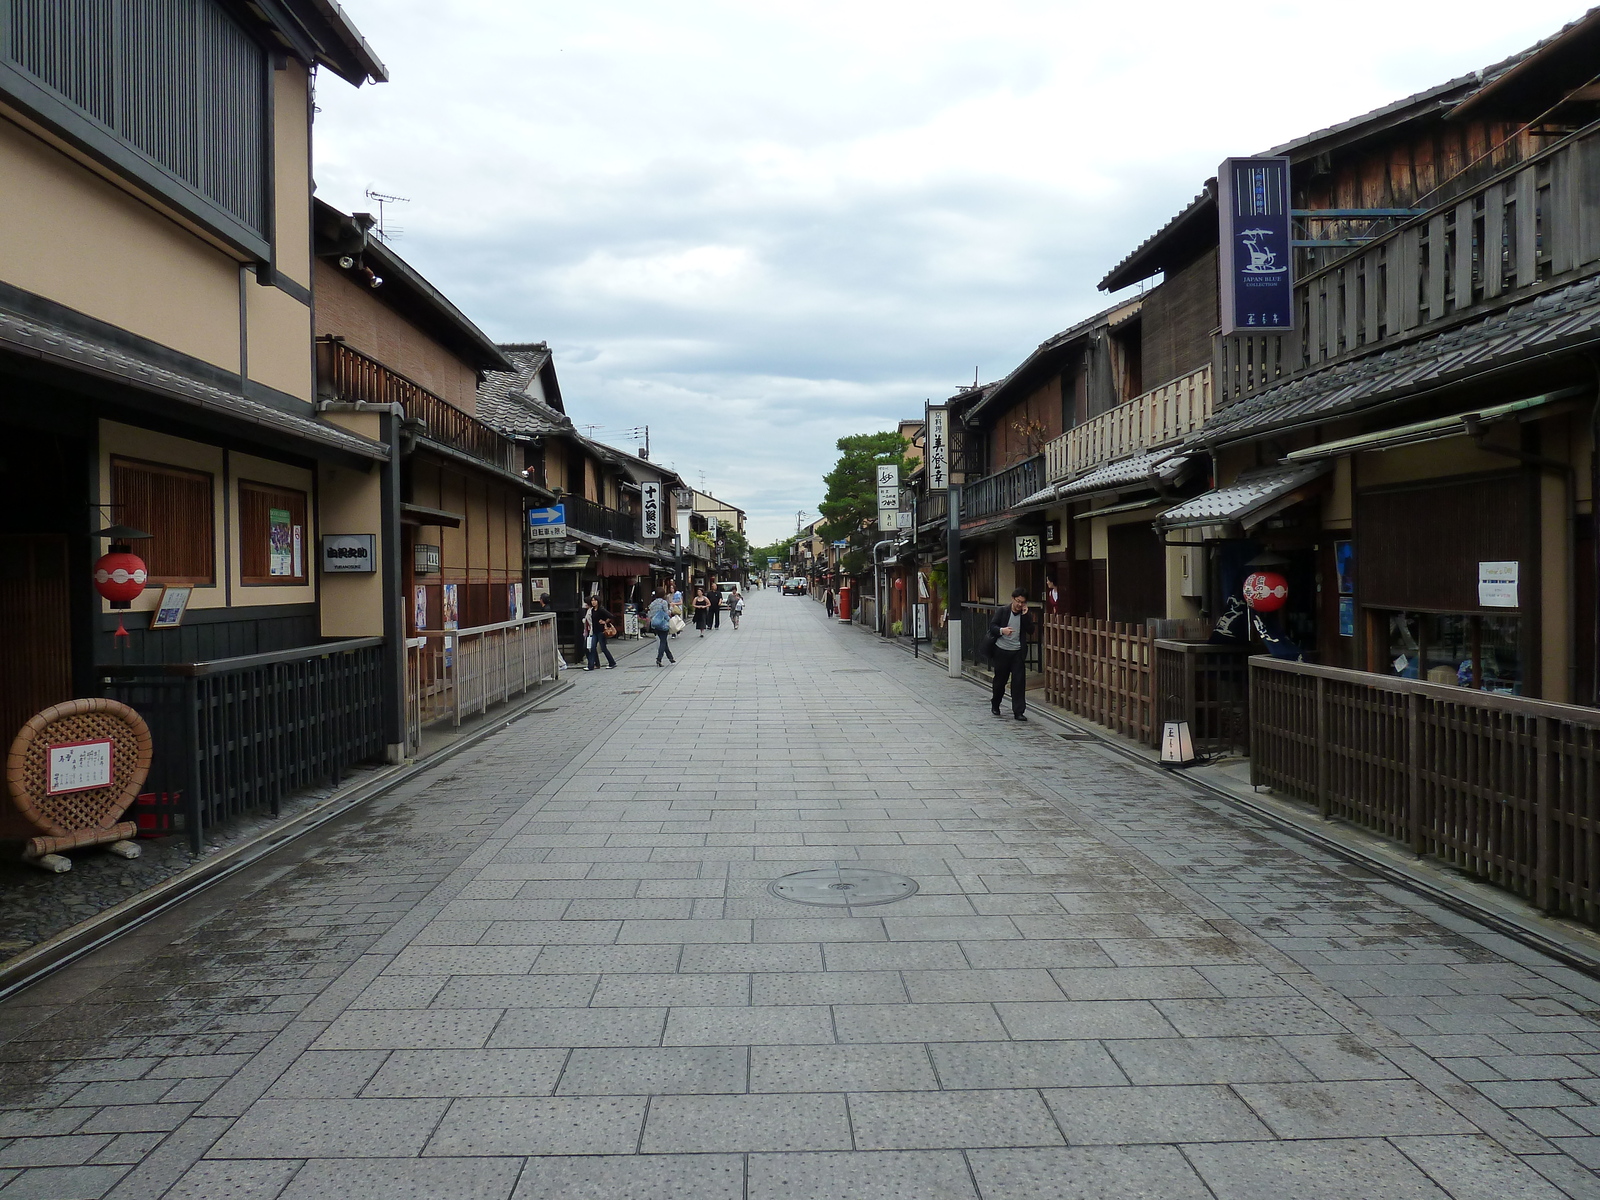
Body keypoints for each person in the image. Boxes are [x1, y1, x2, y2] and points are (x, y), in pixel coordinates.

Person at [986, 588, 1034, 721]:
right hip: (1001, 651)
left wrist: (1025, 616)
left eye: (1023, 602)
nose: (1020, 605)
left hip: (1017, 652)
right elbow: (992, 626)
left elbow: (1031, 630)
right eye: (1018, 601)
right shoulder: (1003, 611)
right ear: (1013, 599)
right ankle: (995, 703)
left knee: (1018, 682)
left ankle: (1018, 711)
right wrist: (1002, 630)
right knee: (1000, 681)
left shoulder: (1025, 614)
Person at [582, 595, 616, 670]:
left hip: (601, 631)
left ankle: (612, 662)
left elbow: (611, 616)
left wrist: (604, 622)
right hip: (594, 632)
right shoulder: (592, 610)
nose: (593, 602)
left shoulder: (601, 609)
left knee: (603, 648)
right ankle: (591, 666)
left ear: (598, 601)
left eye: (595, 600)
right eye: (592, 600)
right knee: (592, 648)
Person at [647, 584, 676, 666]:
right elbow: (667, 613)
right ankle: (659, 659)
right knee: (663, 641)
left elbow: (650, 614)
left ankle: (670, 657)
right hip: (663, 624)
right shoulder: (663, 602)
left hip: (655, 624)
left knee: (663, 640)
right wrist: (671, 609)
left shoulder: (652, 603)